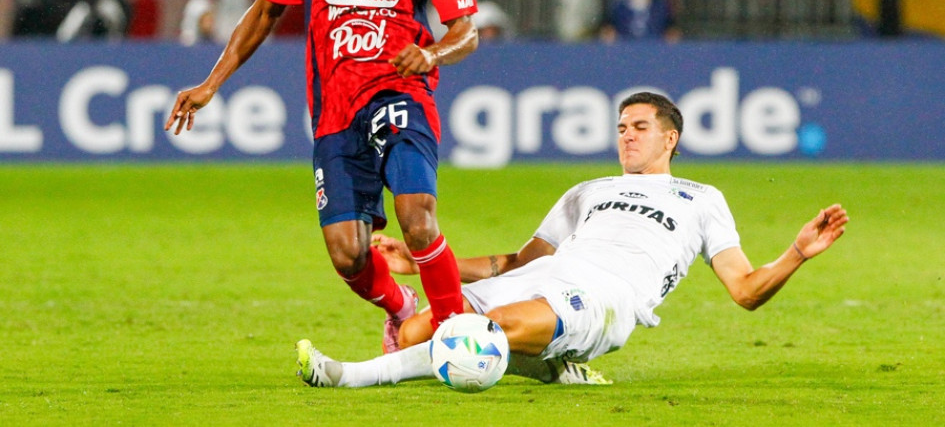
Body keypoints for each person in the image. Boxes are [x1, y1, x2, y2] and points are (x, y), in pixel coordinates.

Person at [164, 0, 479, 353]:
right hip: (334, 111)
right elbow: (266, 10)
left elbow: (465, 31)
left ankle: (453, 335)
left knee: (417, 214)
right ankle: (402, 308)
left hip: (401, 93)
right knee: (347, 254)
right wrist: (210, 83)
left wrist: (431, 54)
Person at [295, 92, 849, 388]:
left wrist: (797, 251)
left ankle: (353, 377)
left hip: (608, 297)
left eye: (640, 128)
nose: (626, 136)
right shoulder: (589, 189)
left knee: (493, 333)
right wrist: (424, 264)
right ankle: (548, 365)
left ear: (670, 138)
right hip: (543, 279)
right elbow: (516, 261)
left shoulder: (702, 198)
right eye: (621, 127)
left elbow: (746, 289)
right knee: (423, 327)